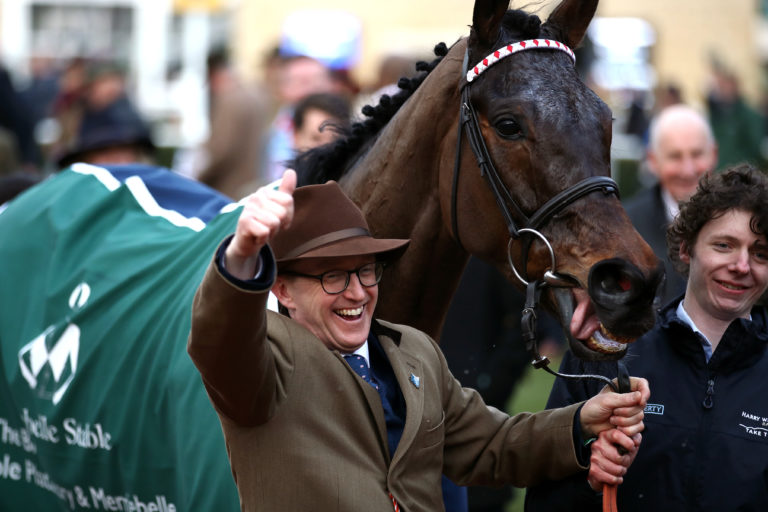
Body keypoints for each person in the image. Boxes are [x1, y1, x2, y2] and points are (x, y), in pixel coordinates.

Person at [187, 168, 650, 511]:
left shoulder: (414, 350)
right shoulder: (265, 360)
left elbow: (489, 445)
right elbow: (221, 343)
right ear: (282, 290)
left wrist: (581, 421)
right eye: (332, 277)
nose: (357, 291)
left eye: (366, 271)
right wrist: (242, 255)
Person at [525, 164, 768, 511]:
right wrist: (589, 483)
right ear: (686, 249)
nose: (742, 265)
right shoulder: (607, 350)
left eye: (760, 253)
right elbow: (542, 499)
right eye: (724, 245)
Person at [624, 104, 718, 306]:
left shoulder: (742, 221)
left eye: (696, 154)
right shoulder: (626, 226)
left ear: (714, 154)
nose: (688, 170)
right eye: (675, 156)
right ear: (652, 160)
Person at [194, 47, 270, 200]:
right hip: (252, 184)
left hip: (229, 189)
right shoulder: (257, 96)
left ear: (213, 76)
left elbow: (222, 150)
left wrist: (199, 178)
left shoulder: (229, 101)